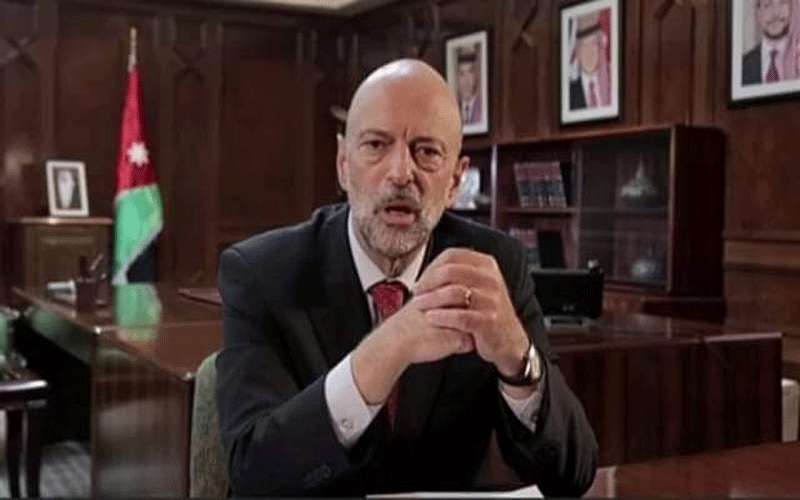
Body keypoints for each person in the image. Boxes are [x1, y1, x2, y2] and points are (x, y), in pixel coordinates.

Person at [216, 59, 598, 497]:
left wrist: (519, 361)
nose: (400, 174)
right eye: (376, 145)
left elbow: (573, 474)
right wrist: (385, 351)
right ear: (343, 164)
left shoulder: (493, 264)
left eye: (427, 152)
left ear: (455, 181)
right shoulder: (263, 272)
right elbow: (254, 476)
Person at [743, 0, 795, 85]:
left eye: (782, 3)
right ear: (758, 13)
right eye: (767, 5)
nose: (775, 13)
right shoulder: (742, 66)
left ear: (792, 9)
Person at [569, 12, 610, 110]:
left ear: (601, 47)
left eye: (594, 44)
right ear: (577, 52)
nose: (589, 52)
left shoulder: (612, 81)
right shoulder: (569, 94)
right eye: (584, 45)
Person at [456, 47, 482, 124]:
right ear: (457, 77)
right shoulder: (453, 110)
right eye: (462, 74)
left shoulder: (482, 108)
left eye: (470, 72)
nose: (466, 80)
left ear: (476, 75)